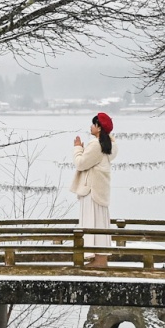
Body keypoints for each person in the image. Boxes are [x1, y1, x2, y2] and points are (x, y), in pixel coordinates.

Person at [70, 112, 117, 267]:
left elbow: (81, 163)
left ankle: (98, 260)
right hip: (101, 191)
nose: (90, 127)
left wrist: (77, 148)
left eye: (93, 124)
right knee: (100, 223)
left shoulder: (96, 145)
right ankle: (99, 258)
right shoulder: (109, 145)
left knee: (91, 221)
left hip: (91, 191)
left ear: (98, 127)